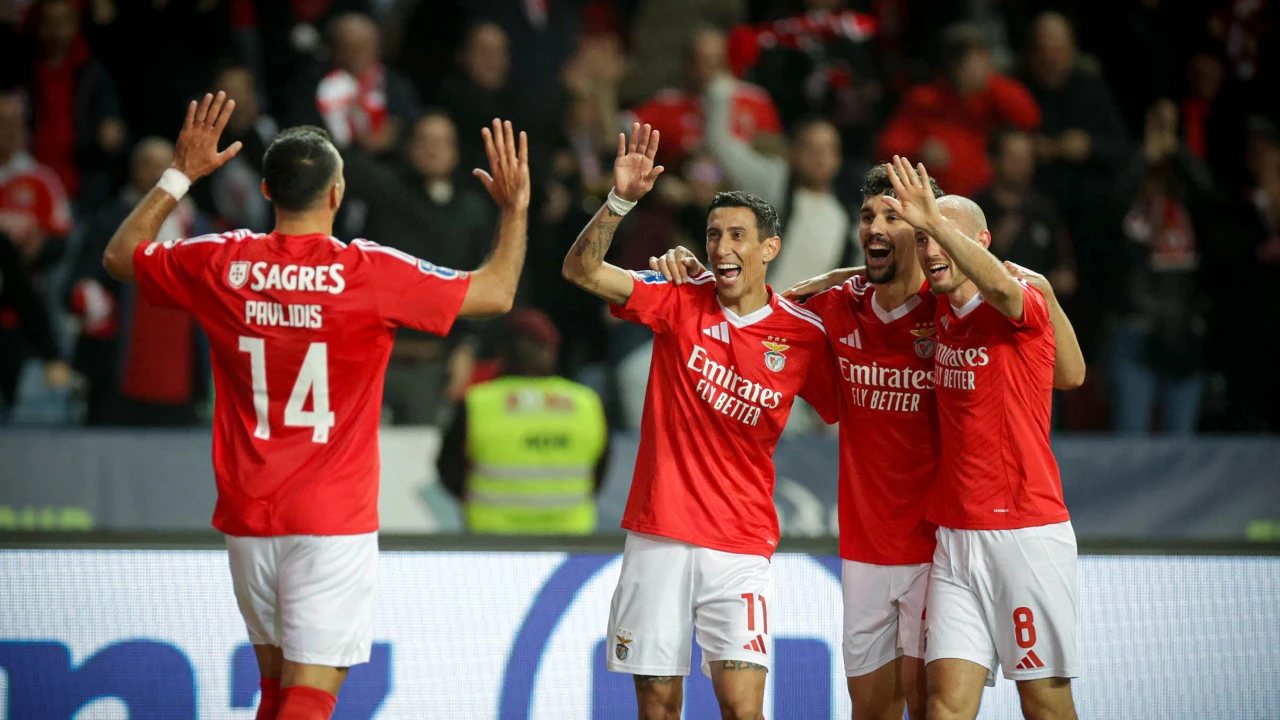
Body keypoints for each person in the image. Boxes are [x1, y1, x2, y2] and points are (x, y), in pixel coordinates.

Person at [101, 92, 530, 719]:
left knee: (277, 692)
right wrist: (515, 210)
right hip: (331, 521)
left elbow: (120, 257)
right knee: (307, 700)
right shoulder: (368, 272)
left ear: (269, 191)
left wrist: (180, 174)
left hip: (249, 514)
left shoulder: (224, 262)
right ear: (335, 195)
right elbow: (494, 293)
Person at [654, 168, 1086, 720]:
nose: (877, 227)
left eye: (895, 218)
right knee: (887, 709)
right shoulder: (834, 307)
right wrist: (690, 272)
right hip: (881, 544)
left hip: (947, 541)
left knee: (982, 700)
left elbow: (1062, 366)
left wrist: (1043, 290)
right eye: (867, 217)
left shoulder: (954, 302)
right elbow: (750, 307)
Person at [561, 123, 838, 720]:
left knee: (743, 708)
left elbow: (855, 408)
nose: (720, 248)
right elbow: (581, 272)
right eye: (714, 234)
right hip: (659, 535)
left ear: (770, 248)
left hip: (739, 546)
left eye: (738, 235)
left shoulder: (803, 337)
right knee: (657, 707)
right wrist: (619, 203)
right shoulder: (677, 297)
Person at [882, 156, 1080, 720]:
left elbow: (1002, 288)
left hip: (1025, 533)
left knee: (1043, 702)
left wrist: (937, 225)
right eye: (921, 239)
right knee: (943, 705)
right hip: (956, 537)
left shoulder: (1018, 297)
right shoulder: (939, 308)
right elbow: (1069, 374)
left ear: (983, 241)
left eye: (941, 237)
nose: (930, 251)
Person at [436, 308, 610, 535]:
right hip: (569, 541)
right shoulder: (586, 402)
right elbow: (599, 472)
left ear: (504, 352)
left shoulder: (478, 402)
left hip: (492, 539)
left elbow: (449, 469)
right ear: (553, 351)